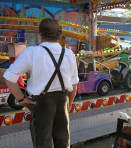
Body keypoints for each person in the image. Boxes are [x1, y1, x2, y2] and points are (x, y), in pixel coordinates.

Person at [3, 18, 79, 148]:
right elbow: (74, 87)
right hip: (63, 101)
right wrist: (68, 105)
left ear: (41, 34)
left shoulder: (32, 52)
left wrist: (21, 99)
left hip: (42, 103)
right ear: (59, 35)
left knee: (42, 142)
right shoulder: (69, 54)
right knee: (63, 141)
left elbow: (9, 77)